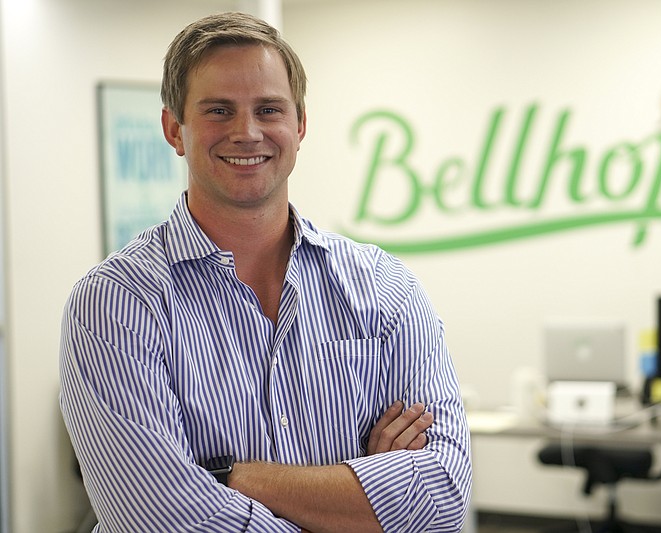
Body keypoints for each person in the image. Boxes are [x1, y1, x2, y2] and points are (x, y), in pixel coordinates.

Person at [59, 11, 472, 533]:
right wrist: (364, 504)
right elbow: (165, 520)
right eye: (218, 110)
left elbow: (442, 501)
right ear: (174, 129)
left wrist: (232, 477)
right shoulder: (116, 303)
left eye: (269, 109)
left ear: (300, 124)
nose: (247, 132)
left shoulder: (386, 288)